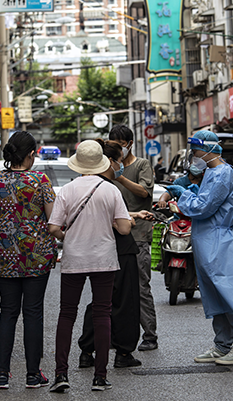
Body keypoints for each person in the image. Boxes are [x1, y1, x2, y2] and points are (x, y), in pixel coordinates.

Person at [48, 140, 133, 392]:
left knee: (67, 313)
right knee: (102, 314)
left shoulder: (67, 190)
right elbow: (125, 228)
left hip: (74, 257)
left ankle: (61, 374)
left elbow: (53, 228)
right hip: (104, 259)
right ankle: (100, 377)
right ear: (101, 163)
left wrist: (68, 237)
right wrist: (114, 224)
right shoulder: (111, 190)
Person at [0, 132, 57, 390]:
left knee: (8, 312)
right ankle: (33, 375)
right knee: (33, 312)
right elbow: (52, 218)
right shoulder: (40, 181)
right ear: (31, 154)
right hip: (37, 255)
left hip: (5, 256)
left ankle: (1, 373)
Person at [176, 131, 233, 366]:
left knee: (230, 294)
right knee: (213, 295)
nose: (194, 156)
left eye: (196, 150)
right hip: (206, 240)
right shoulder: (210, 172)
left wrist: (183, 194)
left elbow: (204, 207)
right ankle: (222, 344)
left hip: (220, 240)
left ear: (208, 150)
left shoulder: (222, 173)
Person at [78, 139, 152, 371]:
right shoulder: (110, 188)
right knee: (125, 302)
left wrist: (133, 214)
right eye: (119, 161)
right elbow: (122, 226)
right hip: (120, 248)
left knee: (98, 302)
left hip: (94, 248)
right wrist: (130, 219)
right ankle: (123, 351)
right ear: (109, 161)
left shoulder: (81, 185)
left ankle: (86, 351)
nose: (121, 165)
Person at [109, 124, 158, 352]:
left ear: (129, 144)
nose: (118, 150)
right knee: (114, 288)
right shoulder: (109, 168)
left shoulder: (141, 165)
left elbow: (144, 192)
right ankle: (115, 334)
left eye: (120, 145)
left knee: (141, 287)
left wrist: (120, 178)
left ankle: (149, 335)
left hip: (138, 236)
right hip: (113, 236)